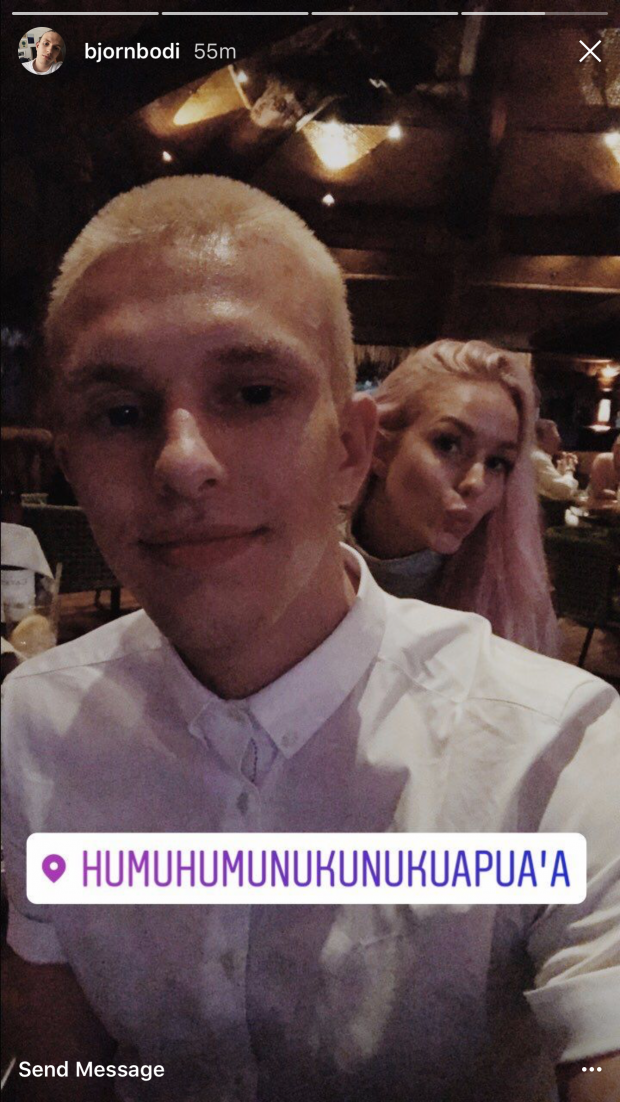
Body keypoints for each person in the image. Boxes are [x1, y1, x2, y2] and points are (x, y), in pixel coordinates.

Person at [2, 176, 619, 1102]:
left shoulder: (556, 747)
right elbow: (65, 1070)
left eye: (252, 393)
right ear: (71, 464)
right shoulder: (36, 723)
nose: (182, 461)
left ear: (350, 451)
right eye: (120, 413)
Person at [351, 341, 559, 655]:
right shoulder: (300, 560)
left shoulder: (505, 597)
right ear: (378, 446)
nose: (476, 482)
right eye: (448, 444)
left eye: (496, 463)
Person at [532, 418, 580, 503]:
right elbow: (564, 491)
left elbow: (552, 490)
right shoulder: (538, 457)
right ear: (539, 440)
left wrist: (562, 468)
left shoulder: (534, 454)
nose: (559, 441)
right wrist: (569, 470)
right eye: (555, 437)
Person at [587, 433, 620, 508]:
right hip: (596, 508)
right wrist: (617, 495)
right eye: (618, 447)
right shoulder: (602, 461)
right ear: (613, 448)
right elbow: (598, 492)